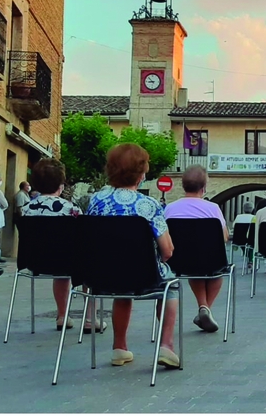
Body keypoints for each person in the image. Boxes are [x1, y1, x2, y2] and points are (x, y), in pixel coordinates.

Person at [86, 144, 180, 368]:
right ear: (142, 173)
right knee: (171, 286)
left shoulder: (95, 201)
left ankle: (119, 347)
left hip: (100, 276)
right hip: (142, 275)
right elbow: (167, 252)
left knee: (122, 288)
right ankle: (166, 346)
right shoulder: (148, 205)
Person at [20, 158, 101, 332]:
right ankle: (89, 319)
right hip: (67, 261)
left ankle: (62, 315)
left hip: (35, 262)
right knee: (88, 261)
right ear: (61, 183)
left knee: (61, 269)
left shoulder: (26, 209)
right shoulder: (70, 209)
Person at [163, 165, 227, 333]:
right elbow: (224, 237)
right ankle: (205, 308)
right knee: (216, 273)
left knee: (193, 267)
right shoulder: (213, 209)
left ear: (183, 186)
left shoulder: (170, 209)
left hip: (179, 262)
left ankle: (203, 308)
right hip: (210, 261)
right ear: (204, 187)